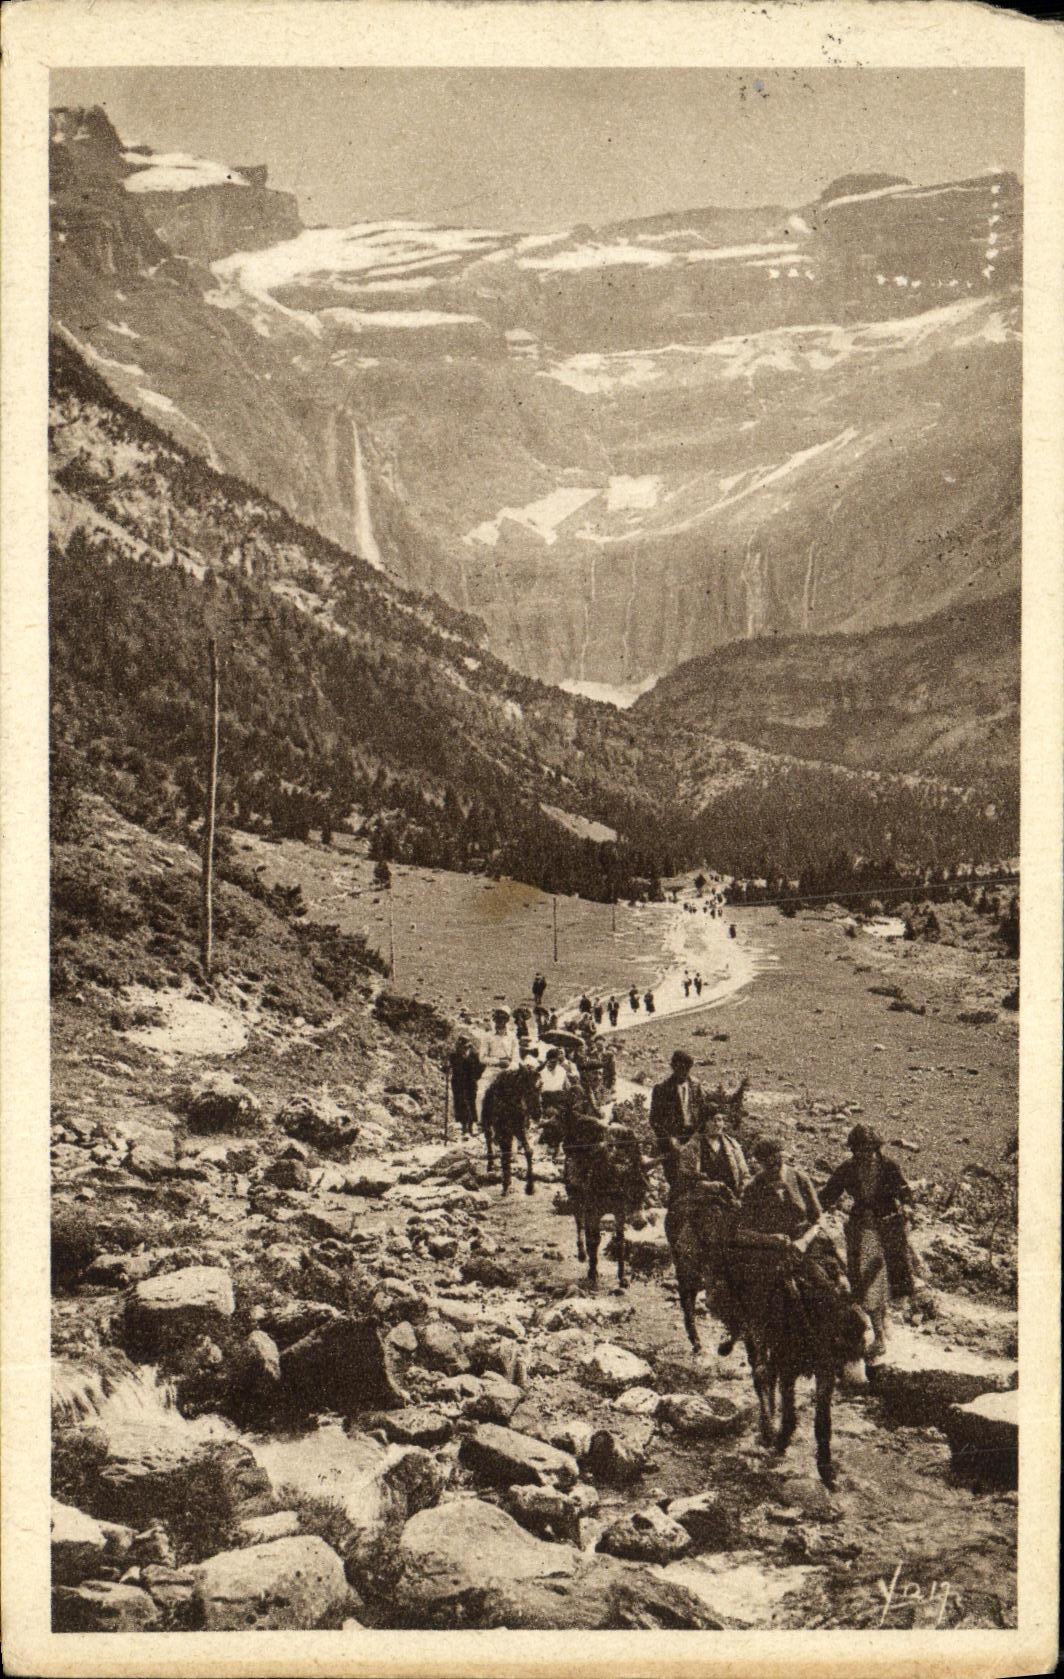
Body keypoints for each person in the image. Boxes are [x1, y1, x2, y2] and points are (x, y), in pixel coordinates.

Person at [820, 1125, 916, 1360]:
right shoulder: (848, 1169)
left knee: (888, 1281)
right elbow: (828, 1194)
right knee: (867, 1284)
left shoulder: (889, 1167)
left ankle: (883, 1324)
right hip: (862, 1232)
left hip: (889, 1229)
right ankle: (880, 1336)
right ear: (854, 1151)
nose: (865, 1155)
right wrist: (809, 1210)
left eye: (869, 1149)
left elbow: (906, 1193)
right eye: (859, 1151)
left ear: (876, 1147)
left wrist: (908, 1206)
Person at [650, 1049, 707, 1185]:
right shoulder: (661, 1089)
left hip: (692, 1137)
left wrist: (697, 1136)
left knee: (693, 1179)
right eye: (680, 1068)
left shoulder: (696, 1086)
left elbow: (703, 1112)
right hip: (671, 1140)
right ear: (673, 1067)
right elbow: (654, 1120)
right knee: (675, 1180)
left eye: (687, 1069)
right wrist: (670, 1139)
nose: (684, 1073)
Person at [476, 1007, 521, 1124]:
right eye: (497, 1019)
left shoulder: (512, 1037)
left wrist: (510, 1066)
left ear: (507, 1020)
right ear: (494, 1020)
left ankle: (523, 1122)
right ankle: (481, 1121)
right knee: (480, 1093)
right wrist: (498, 1062)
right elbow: (482, 1058)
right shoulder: (487, 1036)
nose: (500, 1022)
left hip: (509, 1071)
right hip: (492, 1070)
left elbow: (516, 1058)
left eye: (503, 1019)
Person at [698, 1107, 750, 1196]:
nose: (717, 1124)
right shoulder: (695, 1145)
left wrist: (743, 1187)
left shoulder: (732, 1145)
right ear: (705, 1123)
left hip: (731, 1196)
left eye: (720, 1120)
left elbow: (745, 1174)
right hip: (703, 1197)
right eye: (713, 1120)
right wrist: (706, 1185)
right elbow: (688, 1176)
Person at [448, 1035, 483, 1139]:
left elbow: (480, 1068)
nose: (463, 1048)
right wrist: (446, 1068)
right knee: (460, 1104)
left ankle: (471, 1127)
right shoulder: (453, 1056)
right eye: (461, 1046)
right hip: (457, 1084)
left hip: (470, 1084)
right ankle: (464, 1128)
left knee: (471, 1104)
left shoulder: (474, 1056)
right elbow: (449, 1067)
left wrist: (475, 1077)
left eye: (465, 1046)